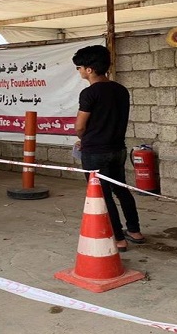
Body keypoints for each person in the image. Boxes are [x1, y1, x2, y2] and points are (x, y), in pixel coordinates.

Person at [72, 45, 144, 252]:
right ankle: (135, 230)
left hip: (95, 152)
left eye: (79, 67)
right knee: (121, 189)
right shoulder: (120, 90)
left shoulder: (89, 93)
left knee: (102, 196)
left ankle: (118, 237)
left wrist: (82, 138)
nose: (78, 72)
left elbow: (80, 126)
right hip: (118, 149)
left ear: (89, 69)